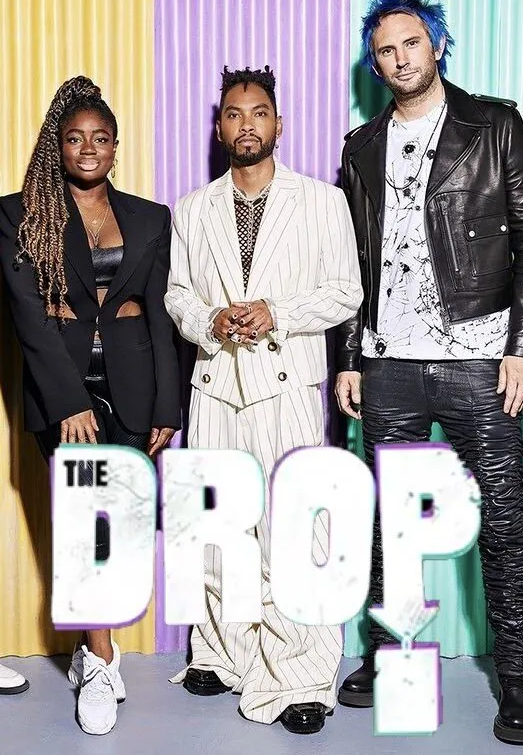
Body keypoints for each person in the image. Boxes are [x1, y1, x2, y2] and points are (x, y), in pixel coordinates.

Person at [334, 0, 523, 744]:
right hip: (388, 361)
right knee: (389, 523)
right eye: (385, 50)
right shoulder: (360, 146)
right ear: (374, 64)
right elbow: (352, 262)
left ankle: (517, 679)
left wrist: (519, 346)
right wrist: (350, 356)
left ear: (437, 44)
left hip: (479, 354)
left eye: (411, 42)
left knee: (505, 522)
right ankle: (386, 658)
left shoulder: (495, 125)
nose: (399, 58)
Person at [165, 66, 362, 734]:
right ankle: (223, 654)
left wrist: (276, 312)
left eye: (258, 113)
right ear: (219, 128)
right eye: (233, 114)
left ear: (279, 124)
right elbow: (177, 295)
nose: (245, 124)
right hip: (216, 382)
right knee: (218, 526)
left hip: (287, 385)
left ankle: (302, 676)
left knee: (296, 530)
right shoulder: (193, 208)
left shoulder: (322, 202)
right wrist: (210, 320)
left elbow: (345, 291)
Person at [0, 76, 180, 735]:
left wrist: (167, 404)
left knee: (121, 527)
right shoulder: (21, 214)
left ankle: (89, 647)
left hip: (134, 387)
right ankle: (103, 660)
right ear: (59, 145)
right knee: (87, 523)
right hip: (64, 393)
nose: (87, 148)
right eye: (74, 138)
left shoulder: (150, 218)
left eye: (100, 138)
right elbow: (29, 315)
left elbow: (158, 315)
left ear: (115, 146)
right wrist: (69, 401)